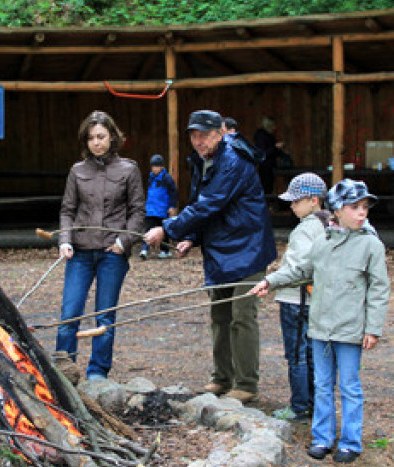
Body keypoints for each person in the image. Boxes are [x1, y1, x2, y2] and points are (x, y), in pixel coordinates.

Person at [144, 109, 276, 403]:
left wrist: (166, 229)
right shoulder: (201, 160)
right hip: (220, 249)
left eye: (204, 135)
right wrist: (191, 237)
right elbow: (200, 204)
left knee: (242, 316)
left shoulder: (233, 160)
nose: (198, 141)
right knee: (220, 315)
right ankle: (221, 378)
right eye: (194, 135)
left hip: (248, 247)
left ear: (220, 133)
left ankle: (246, 383)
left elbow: (210, 204)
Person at [255, 179, 389, 463]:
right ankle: (322, 438)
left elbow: (379, 289)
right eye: (354, 207)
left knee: (350, 386)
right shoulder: (322, 242)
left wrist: (373, 328)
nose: (361, 213)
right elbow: (301, 270)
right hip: (320, 328)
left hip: (350, 329)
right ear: (337, 210)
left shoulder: (371, 245)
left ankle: (350, 442)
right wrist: (270, 281)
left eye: (364, 207)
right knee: (322, 383)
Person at [55, 110, 145, 381]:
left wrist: (123, 241)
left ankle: (97, 372)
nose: (97, 142)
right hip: (80, 251)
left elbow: (137, 212)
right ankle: (64, 370)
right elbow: (67, 210)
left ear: (112, 137)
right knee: (70, 313)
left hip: (111, 253)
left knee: (105, 316)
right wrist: (65, 241)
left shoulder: (128, 169)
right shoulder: (77, 171)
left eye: (101, 136)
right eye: (91, 138)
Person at [249, 173, 330, 422]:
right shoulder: (330, 224)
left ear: (314, 200)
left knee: (297, 355)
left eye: (296, 201)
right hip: (315, 301)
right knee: (312, 353)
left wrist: (270, 281)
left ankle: (299, 407)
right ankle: (314, 404)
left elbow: (299, 269)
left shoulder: (305, 230)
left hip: (297, 301)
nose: (292, 206)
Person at [139, 154, 178, 261]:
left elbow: (173, 193)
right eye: (153, 166)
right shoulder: (151, 178)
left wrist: (172, 206)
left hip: (162, 210)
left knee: (163, 231)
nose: (155, 169)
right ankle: (144, 249)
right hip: (151, 209)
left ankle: (165, 250)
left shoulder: (167, 179)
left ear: (162, 167)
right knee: (148, 230)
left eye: (157, 166)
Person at [252, 115, 280, 194]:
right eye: (273, 125)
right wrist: (275, 147)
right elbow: (262, 152)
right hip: (265, 166)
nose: (275, 128)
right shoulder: (262, 136)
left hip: (269, 165)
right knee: (266, 188)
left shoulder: (269, 136)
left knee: (269, 188)